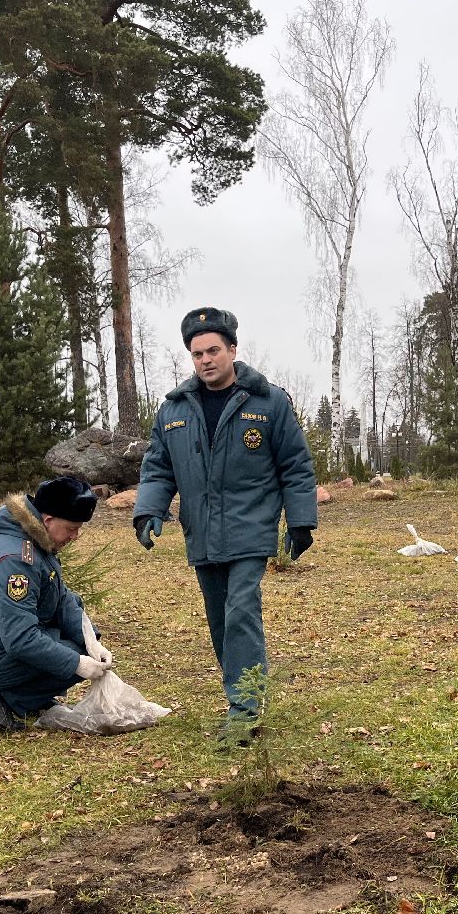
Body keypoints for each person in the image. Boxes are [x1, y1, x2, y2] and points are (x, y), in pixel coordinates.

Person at [134, 307, 318, 748]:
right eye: (197, 354)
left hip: (250, 528)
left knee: (240, 611)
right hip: (201, 532)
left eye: (213, 350)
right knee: (220, 620)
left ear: (233, 349)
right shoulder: (174, 410)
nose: (205, 360)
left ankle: (245, 708)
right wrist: (148, 511)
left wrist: (301, 521)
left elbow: (295, 466)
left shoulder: (268, 402)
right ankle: (242, 694)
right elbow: (158, 468)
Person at [0, 475, 114, 731]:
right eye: (72, 528)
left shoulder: (33, 539)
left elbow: (61, 597)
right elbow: (20, 639)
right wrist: (78, 663)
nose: (76, 536)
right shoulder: (15, 559)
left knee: (82, 647)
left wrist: (91, 639)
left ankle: (26, 699)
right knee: (76, 656)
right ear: (48, 520)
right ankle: (7, 699)